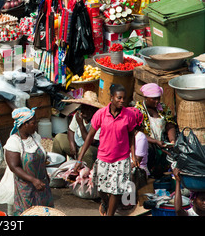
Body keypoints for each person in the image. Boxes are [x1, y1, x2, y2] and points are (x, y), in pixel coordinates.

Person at [74, 84, 138, 216]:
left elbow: (131, 135)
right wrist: (79, 160)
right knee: (100, 187)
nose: (122, 101)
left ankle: (110, 214)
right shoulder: (101, 114)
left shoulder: (129, 115)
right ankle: (105, 201)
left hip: (121, 158)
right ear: (112, 98)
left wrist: (133, 155)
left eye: (124, 99)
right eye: (119, 98)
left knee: (116, 190)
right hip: (103, 157)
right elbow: (90, 136)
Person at [4, 107, 54, 216]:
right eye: (33, 123)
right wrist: (33, 180)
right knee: (28, 213)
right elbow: (14, 167)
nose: (36, 125)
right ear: (24, 124)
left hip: (42, 185)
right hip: (26, 189)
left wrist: (45, 175)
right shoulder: (14, 142)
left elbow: (42, 159)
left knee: (45, 213)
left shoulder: (35, 137)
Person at [134, 83, 177, 178]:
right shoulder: (138, 110)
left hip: (161, 142)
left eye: (158, 98)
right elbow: (137, 133)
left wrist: (172, 140)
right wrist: (155, 141)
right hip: (148, 143)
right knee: (149, 150)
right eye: (153, 99)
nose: (157, 101)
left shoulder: (163, 108)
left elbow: (170, 125)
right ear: (146, 98)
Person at [53, 91, 103, 169]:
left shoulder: (99, 120)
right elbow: (70, 130)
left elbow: (91, 141)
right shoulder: (79, 115)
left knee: (85, 152)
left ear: (93, 110)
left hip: (91, 149)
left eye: (87, 109)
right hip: (78, 146)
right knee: (58, 138)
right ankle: (59, 169)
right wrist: (72, 145)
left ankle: (83, 175)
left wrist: (81, 125)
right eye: (83, 108)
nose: (83, 111)